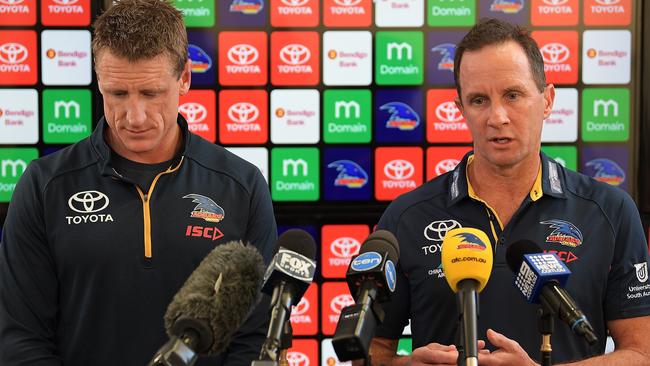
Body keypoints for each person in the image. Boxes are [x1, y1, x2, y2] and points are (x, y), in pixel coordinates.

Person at [0, 0, 277, 365]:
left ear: (185, 79)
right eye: (117, 94)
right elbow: (20, 337)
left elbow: (256, 337)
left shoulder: (241, 185)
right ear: (100, 82)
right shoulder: (45, 186)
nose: (134, 116)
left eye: (150, 93)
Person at [369, 18, 650, 365]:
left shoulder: (610, 211)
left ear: (547, 100)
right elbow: (369, 352)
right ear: (460, 110)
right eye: (478, 100)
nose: (497, 117)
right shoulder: (406, 216)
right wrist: (406, 365)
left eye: (513, 95)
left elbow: (640, 353)